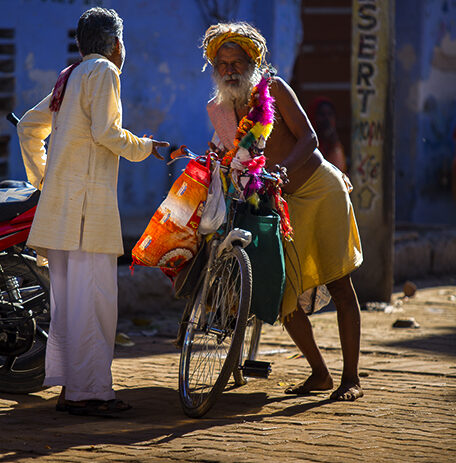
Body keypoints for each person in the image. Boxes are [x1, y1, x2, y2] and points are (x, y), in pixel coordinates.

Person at [17, 7, 169, 416]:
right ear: (117, 44)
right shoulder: (104, 71)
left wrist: (45, 179)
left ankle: (73, 390)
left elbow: (28, 127)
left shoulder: (69, 76)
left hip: (63, 212)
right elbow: (107, 132)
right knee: (95, 302)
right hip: (87, 213)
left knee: (71, 304)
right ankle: (91, 393)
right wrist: (145, 148)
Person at [202, 22, 364, 401]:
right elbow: (227, 151)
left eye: (236, 62)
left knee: (340, 283)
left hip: (320, 191)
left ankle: (351, 379)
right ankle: (320, 375)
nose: (229, 70)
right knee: (283, 291)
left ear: (252, 62)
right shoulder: (220, 108)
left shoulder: (273, 89)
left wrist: (283, 168)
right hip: (279, 204)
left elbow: (309, 137)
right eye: (222, 63)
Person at [307, 96, 348, 173]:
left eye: (330, 114)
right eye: (322, 114)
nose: (327, 119)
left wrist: (334, 143)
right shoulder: (306, 143)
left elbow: (338, 170)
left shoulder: (334, 143)